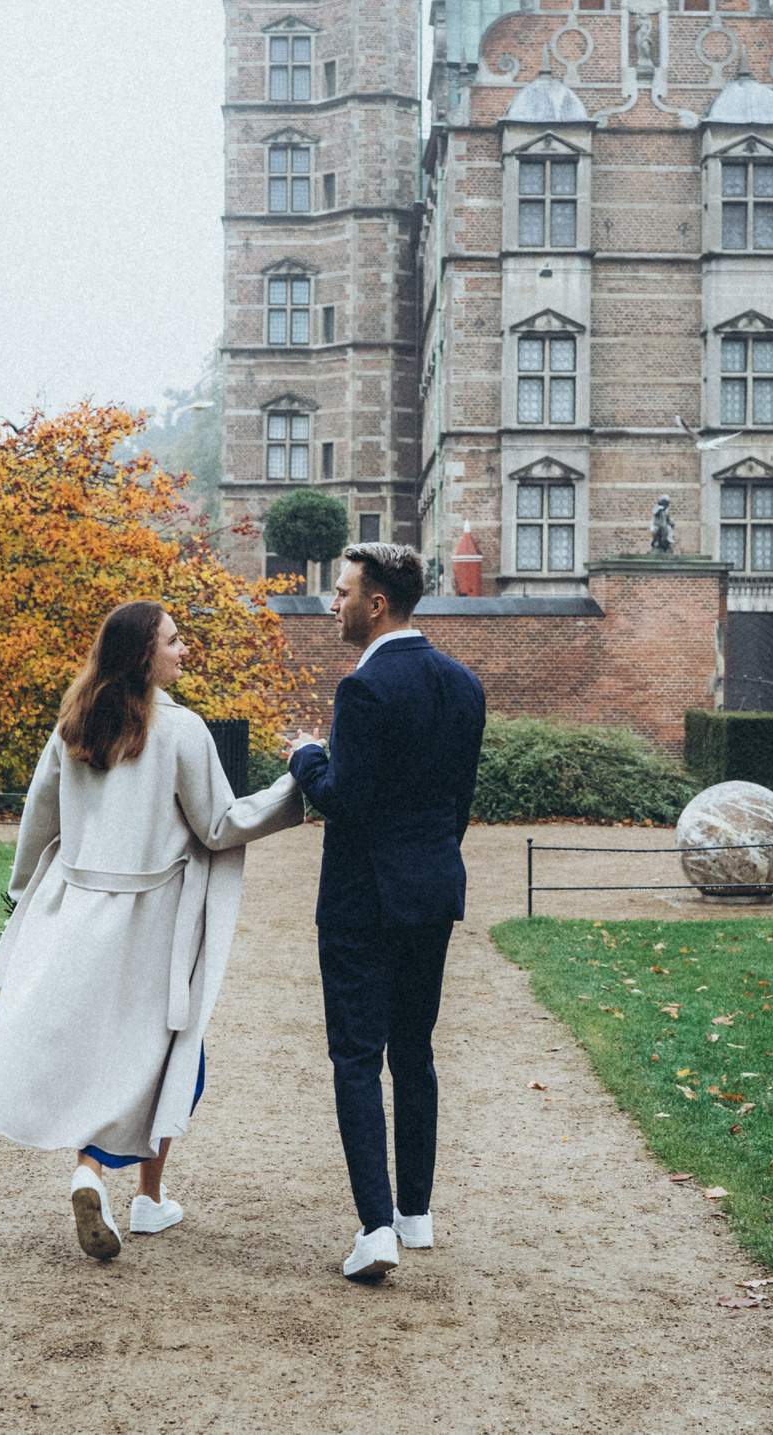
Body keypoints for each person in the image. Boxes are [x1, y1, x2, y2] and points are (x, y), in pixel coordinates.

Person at [0, 600, 306, 1262]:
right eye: (174, 641)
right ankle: (98, 1172)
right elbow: (218, 824)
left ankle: (142, 1194)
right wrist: (296, 787)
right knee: (171, 1055)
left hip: (77, 910)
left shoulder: (73, 726)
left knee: (113, 1054)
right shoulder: (181, 731)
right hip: (150, 920)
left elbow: (39, 822)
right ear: (143, 655)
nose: (186, 651)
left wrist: (19, 898)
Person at [286, 543, 486, 1283]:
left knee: (356, 1057)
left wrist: (305, 753)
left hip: (362, 900)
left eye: (340, 593)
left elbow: (342, 798)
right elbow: (458, 804)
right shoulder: (464, 685)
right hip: (432, 891)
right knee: (416, 1052)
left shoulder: (363, 689)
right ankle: (417, 1214)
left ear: (376, 604)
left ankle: (375, 1229)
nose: (330, 604)